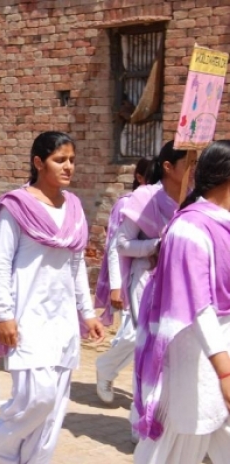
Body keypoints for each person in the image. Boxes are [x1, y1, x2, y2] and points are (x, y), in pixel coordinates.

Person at [0, 131, 105, 464]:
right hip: (27, 317)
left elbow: (76, 265)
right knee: (37, 398)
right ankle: (2, 450)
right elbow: (0, 264)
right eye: (59, 160)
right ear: (39, 162)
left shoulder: (74, 207)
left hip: (62, 320)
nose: (68, 167)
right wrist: (4, 315)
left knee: (54, 408)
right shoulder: (15, 206)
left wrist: (87, 313)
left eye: (72, 160)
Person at [133, 140, 230, 464]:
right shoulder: (189, 229)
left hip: (219, 357)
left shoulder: (222, 223)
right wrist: (224, 372)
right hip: (196, 360)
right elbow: (197, 306)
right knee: (172, 446)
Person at [103, 141, 190, 439]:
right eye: (188, 163)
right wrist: (156, 245)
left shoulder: (194, 197)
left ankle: (169, 422)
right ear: (168, 167)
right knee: (150, 351)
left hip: (181, 283)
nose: (193, 170)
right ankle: (141, 422)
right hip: (147, 282)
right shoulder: (144, 198)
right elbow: (122, 244)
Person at [95, 158, 150, 403]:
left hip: (156, 279)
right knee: (132, 335)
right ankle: (106, 367)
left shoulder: (167, 202)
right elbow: (115, 246)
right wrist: (116, 286)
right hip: (131, 279)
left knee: (146, 339)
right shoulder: (128, 204)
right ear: (139, 177)